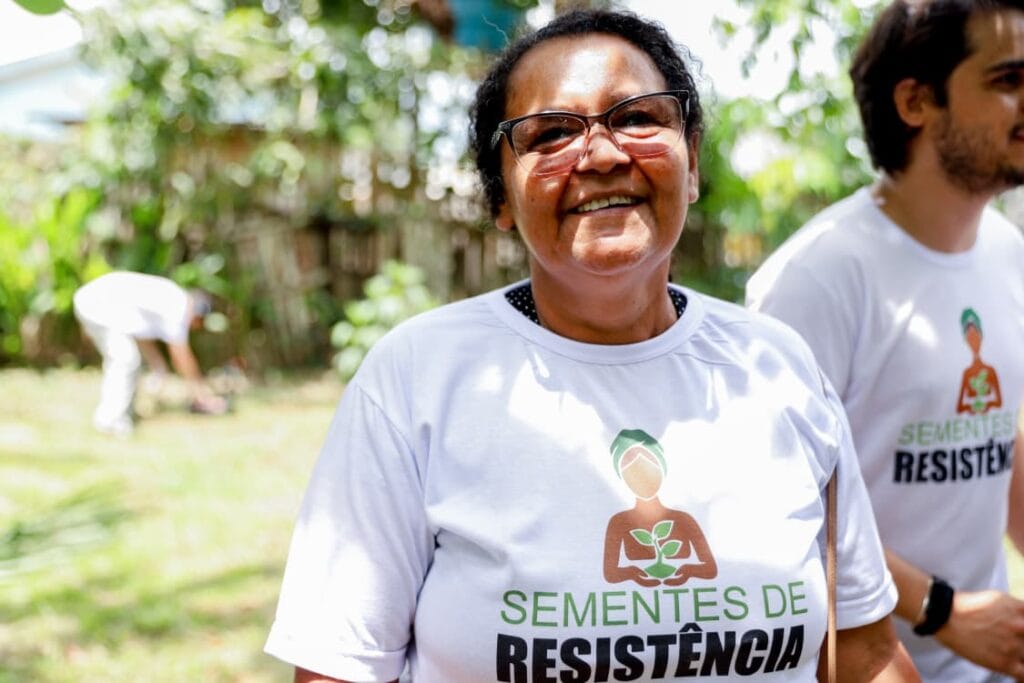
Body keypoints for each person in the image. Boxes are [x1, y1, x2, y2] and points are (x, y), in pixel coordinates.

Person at [266, 9, 917, 682]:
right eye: (550, 133)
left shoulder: (777, 369)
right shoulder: (417, 379)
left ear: (691, 162)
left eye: (637, 118)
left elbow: (864, 655)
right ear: (500, 196)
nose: (602, 154)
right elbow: (338, 671)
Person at [746, 1, 1024, 680]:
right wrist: (943, 611)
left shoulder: (1009, 253)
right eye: (1008, 78)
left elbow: (1000, 447)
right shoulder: (815, 279)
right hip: (866, 665)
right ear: (915, 101)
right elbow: (774, 503)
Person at [73, 271, 228, 436]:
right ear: (198, 314)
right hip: (96, 302)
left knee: (128, 360)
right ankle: (110, 420)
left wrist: (159, 368)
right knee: (125, 360)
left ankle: (122, 414)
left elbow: (140, 332)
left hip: (95, 301)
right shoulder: (178, 306)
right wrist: (203, 397)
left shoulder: (172, 297)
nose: (195, 327)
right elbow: (181, 356)